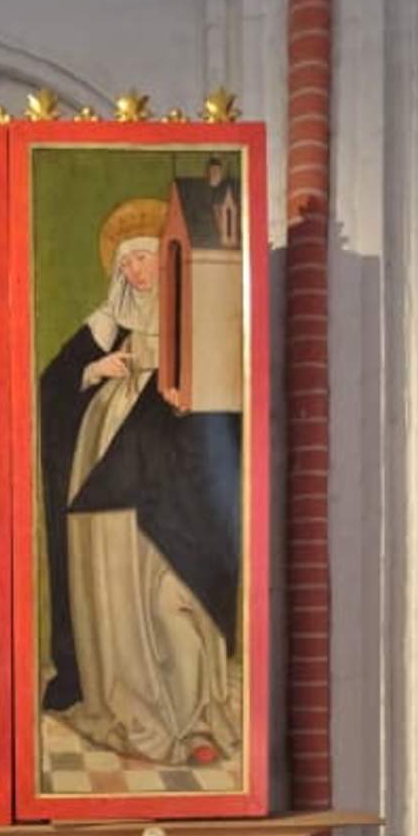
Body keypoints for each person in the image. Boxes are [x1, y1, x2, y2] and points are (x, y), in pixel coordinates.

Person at [38, 197, 242, 767]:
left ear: (166, 258)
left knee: (175, 596)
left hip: (173, 473)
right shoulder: (110, 321)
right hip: (111, 469)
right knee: (121, 595)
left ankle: (194, 716)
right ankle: (142, 706)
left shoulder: (196, 316)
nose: (134, 272)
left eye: (143, 259)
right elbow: (51, 386)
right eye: (125, 264)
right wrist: (93, 369)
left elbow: (227, 392)